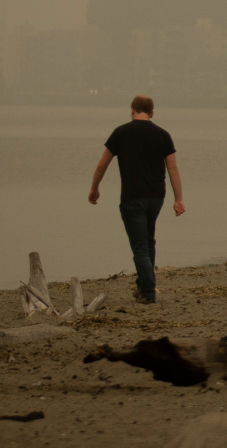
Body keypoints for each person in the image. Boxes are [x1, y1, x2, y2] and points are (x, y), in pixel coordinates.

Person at [88, 95, 184, 303]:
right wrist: (179, 199)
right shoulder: (163, 135)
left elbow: (101, 164)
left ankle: (148, 292)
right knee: (148, 240)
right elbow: (173, 168)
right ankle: (143, 286)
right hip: (157, 196)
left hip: (132, 197)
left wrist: (94, 188)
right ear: (151, 113)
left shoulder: (120, 133)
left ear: (132, 110)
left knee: (140, 245)